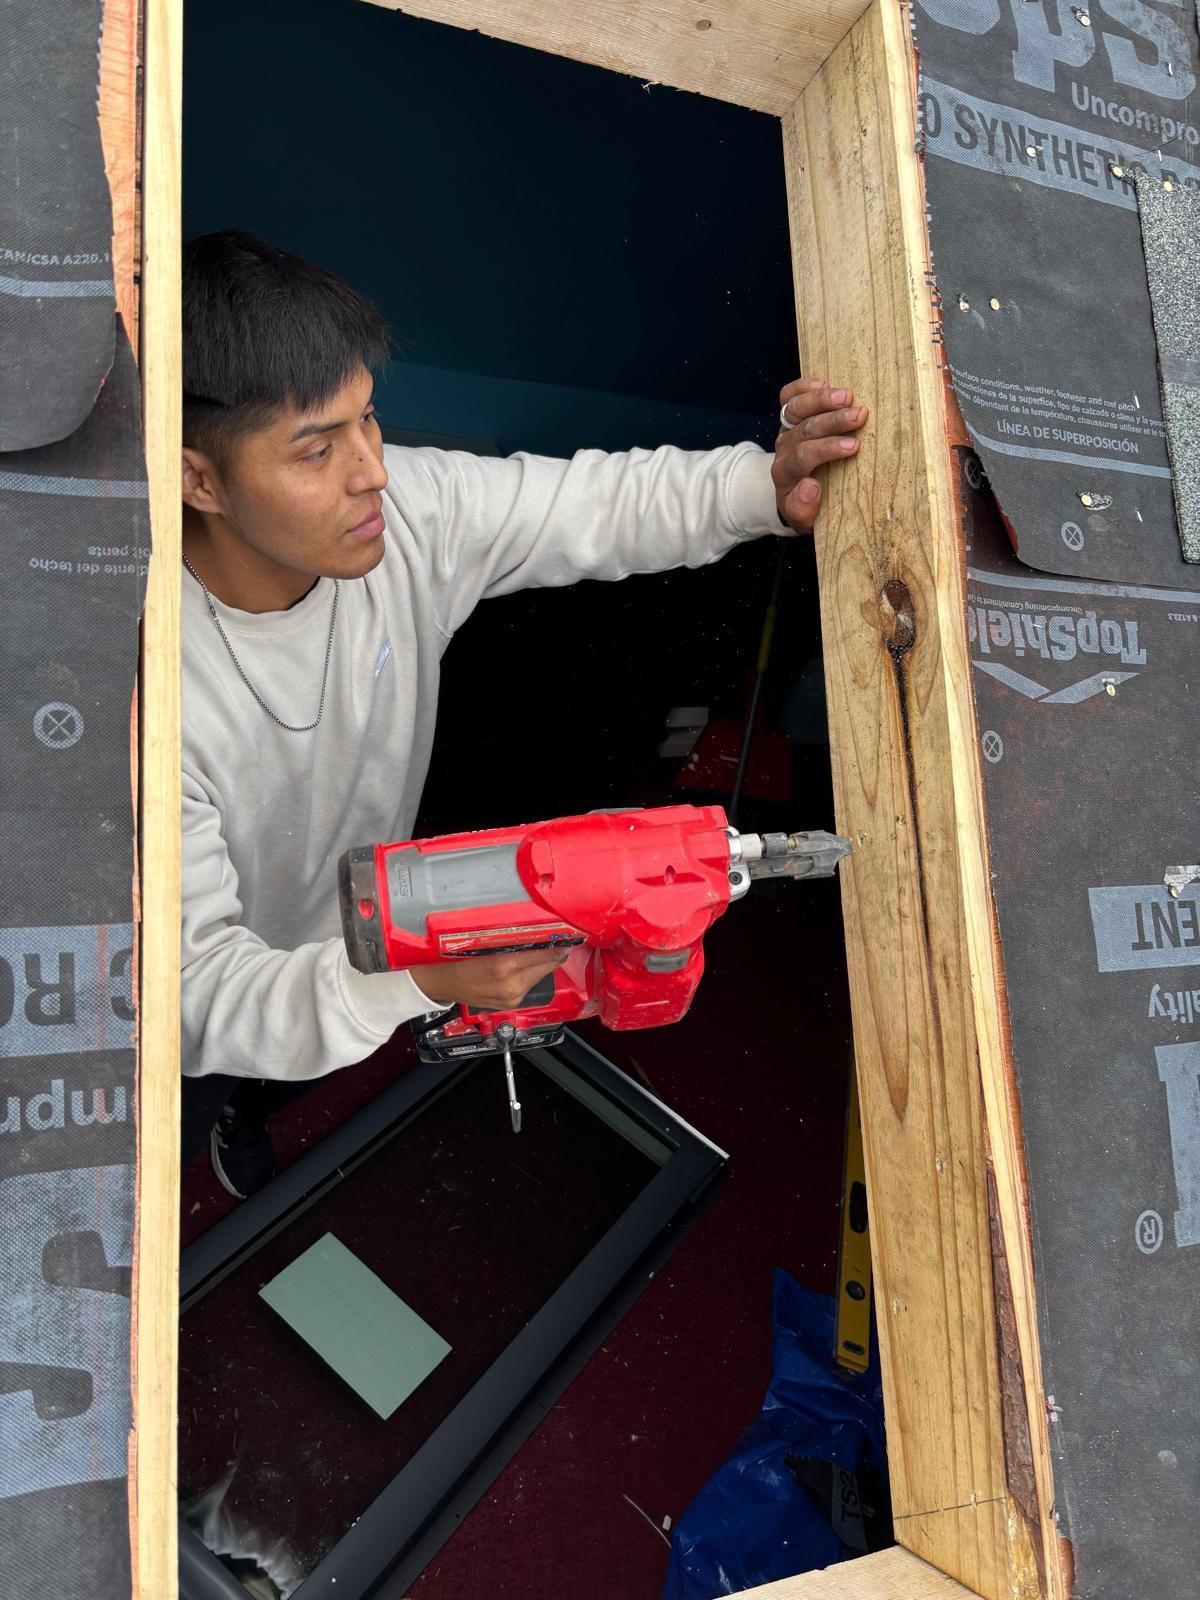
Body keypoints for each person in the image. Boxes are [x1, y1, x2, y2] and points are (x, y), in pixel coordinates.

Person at [180, 231, 868, 1198]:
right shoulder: (139, 690)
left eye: (368, 420)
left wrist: (764, 485)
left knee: (317, 1046)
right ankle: (215, 1124)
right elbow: (198, 992)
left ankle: (256, 1110)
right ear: (198, 479)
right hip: (207, 967)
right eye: (315, 448)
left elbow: (592, 502)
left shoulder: (406, 511)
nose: (372, 470)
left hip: (360, 916)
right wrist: (420, 986)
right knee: (195, 1084)